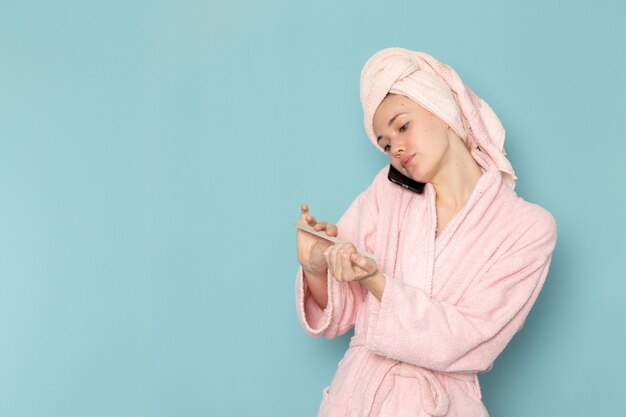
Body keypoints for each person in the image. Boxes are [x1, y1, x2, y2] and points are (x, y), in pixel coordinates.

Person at [295, 47, 557, 417]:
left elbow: (470, 338)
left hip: (440, 404)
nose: (395, 147)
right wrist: (316, 268)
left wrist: (377, 280)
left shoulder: (526, 228)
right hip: (359, 399)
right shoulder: (385, 193)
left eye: (402, 126)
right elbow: (342, 312)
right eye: (385, 144)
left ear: (442, 111)